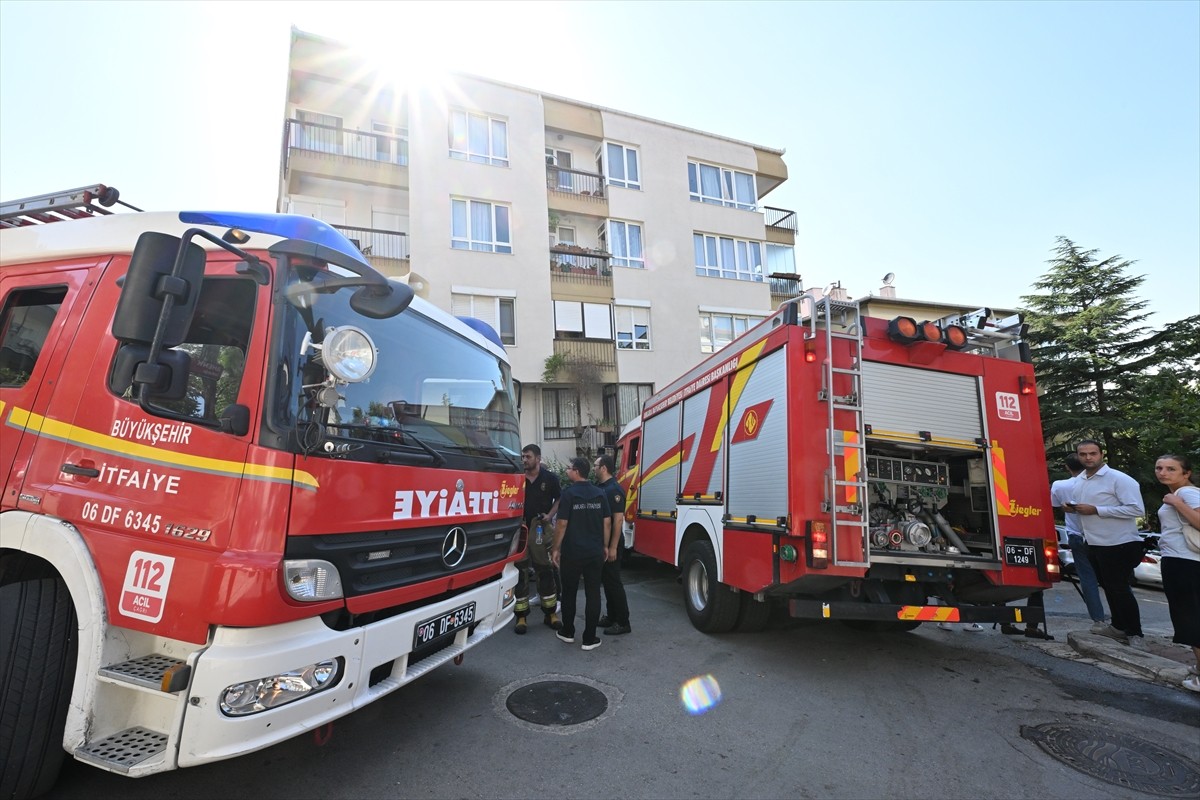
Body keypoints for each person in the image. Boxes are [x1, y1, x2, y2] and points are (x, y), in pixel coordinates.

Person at [1068, 439, 1146, 648]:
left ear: (1101, 454)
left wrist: (1097, 510)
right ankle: (1118, 627)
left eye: (1092, 453)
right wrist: (1073, 508)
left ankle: (1135, 634)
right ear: (1078, 456)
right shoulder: (1080, 480)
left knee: (1120, 588)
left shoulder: (1119, 479)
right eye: (1083, 454)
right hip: (1093, 542)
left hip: (1119, 543)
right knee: (1109, 587)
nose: (1088, 458)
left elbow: (1136, 509)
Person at [551, 457, 611, 651]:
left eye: (569, 468)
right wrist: (605, 545)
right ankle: (589, 638)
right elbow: (607, 522)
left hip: (572, 552)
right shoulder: (599, 493)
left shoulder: (568, 494)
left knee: (569, 592)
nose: (567, 471)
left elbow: (561, 524)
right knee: (593, 593)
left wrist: (555, 548)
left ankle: (567, 632)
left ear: (576, 471)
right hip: (594, 552)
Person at [1153, 454, 1200, 692]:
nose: (1163, 472)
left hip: (1184, 562)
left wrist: (1177, 503)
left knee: (1190, 619)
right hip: (1184, 561)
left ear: (1186, 473)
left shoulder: (1186, 493)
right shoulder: (1183, 493)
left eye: (1171, 469)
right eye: (1159, 468)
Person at [1052, 453, 1107, 625]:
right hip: (1101, 536)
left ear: (1067, 467)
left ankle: (1098, 619)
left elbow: (1054, 504)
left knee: (1087, 579)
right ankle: (1123, 618)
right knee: (1113, 577)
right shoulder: (1099, 484)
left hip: (1076, 535)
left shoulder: (1060, 485)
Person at [514, 444, 561, 634]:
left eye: (528, 457)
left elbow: (559, 499)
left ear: (538, 458)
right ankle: (521, 617)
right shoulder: (517, 478)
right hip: (520, 529)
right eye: (523, 457)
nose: (524, 460)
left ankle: (550, 614)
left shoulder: (550, 478)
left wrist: (550, 515)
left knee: (545, 570)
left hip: (541, 528)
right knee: (520, 572)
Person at [594, 454, 632, 636]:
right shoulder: (601, 487)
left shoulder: (614, 490)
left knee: (614, 582)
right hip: (603, 542)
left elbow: (617, 521)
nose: (593, 468)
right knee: (607, 582)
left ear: (603, 468)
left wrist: (613, 547)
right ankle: (611, 616)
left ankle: (623, 622)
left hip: (612, 543)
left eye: (596, 465)